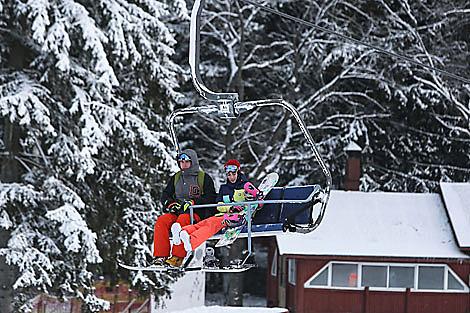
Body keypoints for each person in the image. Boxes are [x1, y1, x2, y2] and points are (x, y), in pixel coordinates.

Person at [168, 159, 256, 266]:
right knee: (203, 224)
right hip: (223, 215)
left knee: (211, 226)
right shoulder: (224, 188)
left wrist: (248, 201)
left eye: (233, 174)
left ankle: (192, 241)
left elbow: (257, 202)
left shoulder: (246, 186)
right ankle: (183, 232)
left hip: (236, 218)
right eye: (229, 175)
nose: (231, 177)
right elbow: (218, 205)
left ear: (238, 172)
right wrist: (230, 208)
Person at [153, 149, 216, 267]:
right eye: (181, 162)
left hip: (196, 214)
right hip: (178, 212)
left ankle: (177, 257)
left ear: (193, 162)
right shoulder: (176, 178)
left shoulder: (203, 178)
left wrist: (194, 202)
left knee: (182, 220)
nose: (184, 164)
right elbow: (165, 195)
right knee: (162, 220)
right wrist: (171, 204)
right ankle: (161, 256)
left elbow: (210, 197)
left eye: (187, 162)